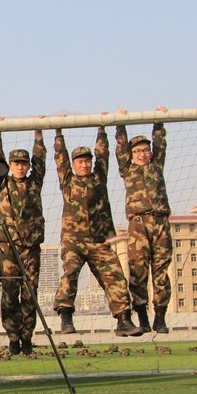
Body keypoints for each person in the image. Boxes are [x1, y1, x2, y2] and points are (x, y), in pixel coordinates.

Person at [53, 125, 142, 337]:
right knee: (70, 272)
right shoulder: (68, 180)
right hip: (73, 240)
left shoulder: (99, 177)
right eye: (80, 161)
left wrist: (102, 130)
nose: (84, 164)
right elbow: (60, 156)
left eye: (87, 161)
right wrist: (58, 133)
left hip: (99, 241)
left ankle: (123, 320)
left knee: (116, 275)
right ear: (73, 165)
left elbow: (103, 153)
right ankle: (66, 317)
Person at [115, 107, 171, 334]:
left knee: (161, 270)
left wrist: (158, 122)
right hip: (138, 224)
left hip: (160, 223)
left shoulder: (156, 165)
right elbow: (120, 147)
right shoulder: (127, 169)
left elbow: (160, 144)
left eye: (145, 150)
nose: (142, 154)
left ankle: (160, 316)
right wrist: (120, 123)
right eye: (137, 151)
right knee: (138, 271)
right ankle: (142, 317)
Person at [0, 129, 46, 356]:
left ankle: (27, 335)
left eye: (24, 163)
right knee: (10, 294)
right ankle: (13, 335)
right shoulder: (3, 184)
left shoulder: (34, 183)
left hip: (30, 247)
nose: (21, 167)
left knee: (30, 293)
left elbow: (40, 159)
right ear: (10, 166)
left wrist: (38, 133)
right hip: (8, 249)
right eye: (16, 163)